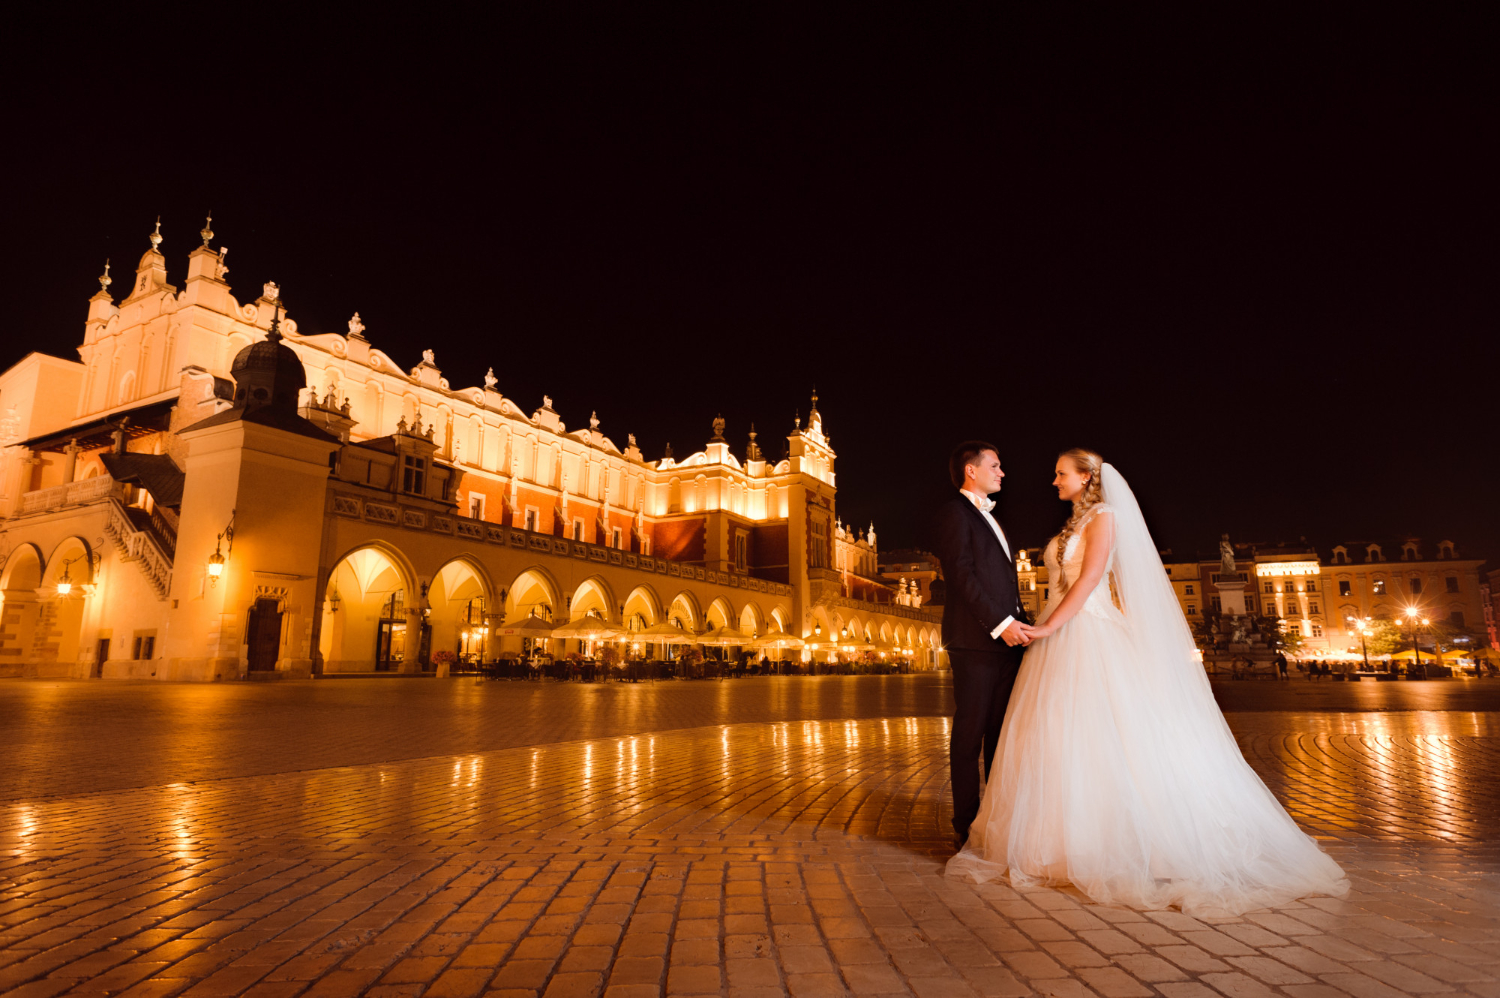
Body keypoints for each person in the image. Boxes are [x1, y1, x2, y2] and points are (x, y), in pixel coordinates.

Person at [948, 449, 1348, 916]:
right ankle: (1060, 837)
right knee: (1060, 738)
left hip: (1085, 633)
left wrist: (1049, 626)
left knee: (1107, 736)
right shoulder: (1073, 522)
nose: (1053, 481)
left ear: (1086, 478)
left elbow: (1090, 578)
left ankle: (1119, 840)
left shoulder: (1105, 517)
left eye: (1061, 474)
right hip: (1053, 638)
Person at [932, 441, 1032, 848]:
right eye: (995, 465)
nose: (1002, 472)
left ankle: (996, 819)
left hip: (1007, 642)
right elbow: (962, 576)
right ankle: (966, 823)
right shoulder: (955, 514)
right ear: (971, 471)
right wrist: (1001, 622)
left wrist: (1021, 623)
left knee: (999, 733)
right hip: (975, 641)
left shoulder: (989, 517)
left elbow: (1001, 581)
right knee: (970, 734)